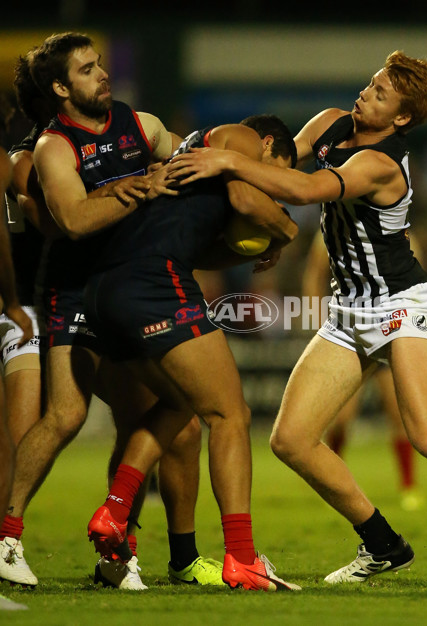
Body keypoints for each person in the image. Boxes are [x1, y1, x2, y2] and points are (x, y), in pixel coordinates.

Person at [166, 50, 427, 583]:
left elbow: (306, 189)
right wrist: (261, 223)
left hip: (399, 303)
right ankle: (383, 543)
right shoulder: (330, 123)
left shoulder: (382, 163)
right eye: (372, 83)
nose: (366, 93)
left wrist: (226, 161)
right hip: (349, 308)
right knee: (290, 441)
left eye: (381, 94)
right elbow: (280, 168)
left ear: (403, 118)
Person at [0, 33, 220, 592]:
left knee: (151, 418)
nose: (102, 75)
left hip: (127, 291)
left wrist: (247, 221)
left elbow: (188, 174)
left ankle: (116, 549)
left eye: (100, 65)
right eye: (87, 69)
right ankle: (7, 538)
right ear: (60, 87)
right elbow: (72, 221)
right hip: (72, 292)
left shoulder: (141, 125)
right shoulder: (53, 147)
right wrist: (140, 185)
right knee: (66, 416)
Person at [83, 115, 300, 591]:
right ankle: (242, 558)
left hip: (106, 289)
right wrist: (286, 228)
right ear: (266, 144)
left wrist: (249, 252)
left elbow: (200, 251)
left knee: (181, 402)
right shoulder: (238, 138)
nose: (275, 187)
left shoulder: (196, 166)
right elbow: (248, 197)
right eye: (277, 174)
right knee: (231, 415)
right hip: (154, 283)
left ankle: (115, 513)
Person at [302, 229, 423, 511]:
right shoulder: (331, 230)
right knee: (341, 419)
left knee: (399, 415)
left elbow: (417, 281)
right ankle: (331, 485)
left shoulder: (401, 233)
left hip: (390, 333)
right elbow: (314, 275)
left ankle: (408, 486)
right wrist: (318, 322)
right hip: (350, 334)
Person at [0, 146, 30, 611]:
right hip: (32, 303)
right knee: (12, 439)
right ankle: (8, 540)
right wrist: (10, 299)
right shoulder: (10, 163)